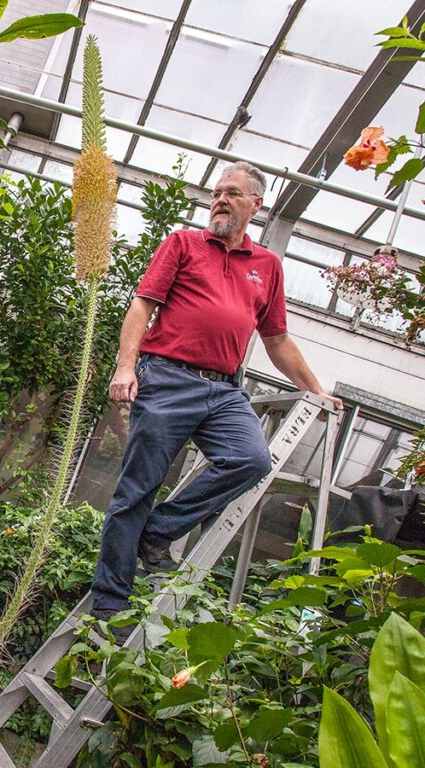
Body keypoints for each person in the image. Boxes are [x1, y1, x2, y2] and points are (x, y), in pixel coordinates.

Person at [90, 161, 343, 639]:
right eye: (216, 193)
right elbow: (142, 305)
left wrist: (316, 390)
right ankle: (109, 605)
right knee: (136, 490)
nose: (220, 200)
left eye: (232, 193)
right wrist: (126, 366)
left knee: (251, 459)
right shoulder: (183, 244)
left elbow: (277, 339)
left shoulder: (267, 266)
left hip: (225, 388)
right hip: (167, 378)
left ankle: (156, 531)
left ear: (256, 205)